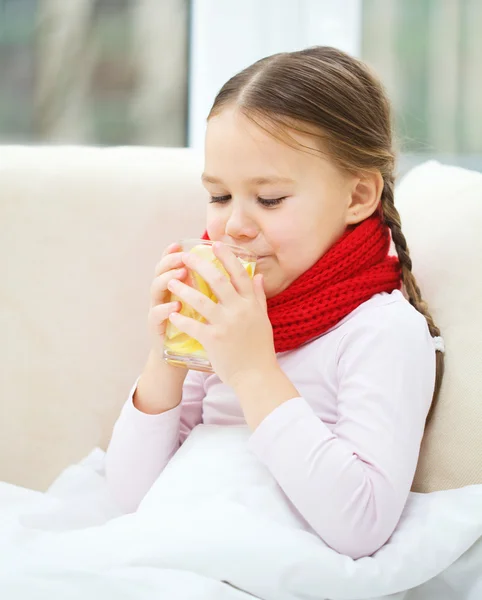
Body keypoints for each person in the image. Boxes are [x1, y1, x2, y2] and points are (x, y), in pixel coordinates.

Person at [105, 46, 444, 559]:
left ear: (357, 197)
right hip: (177, 551)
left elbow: (362, 525)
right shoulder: (222, 316)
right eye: (219, 197)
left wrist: (253, 372)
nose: (235, 225)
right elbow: (131, 501)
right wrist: (166, 360)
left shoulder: (383, 331)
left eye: (269, 199)